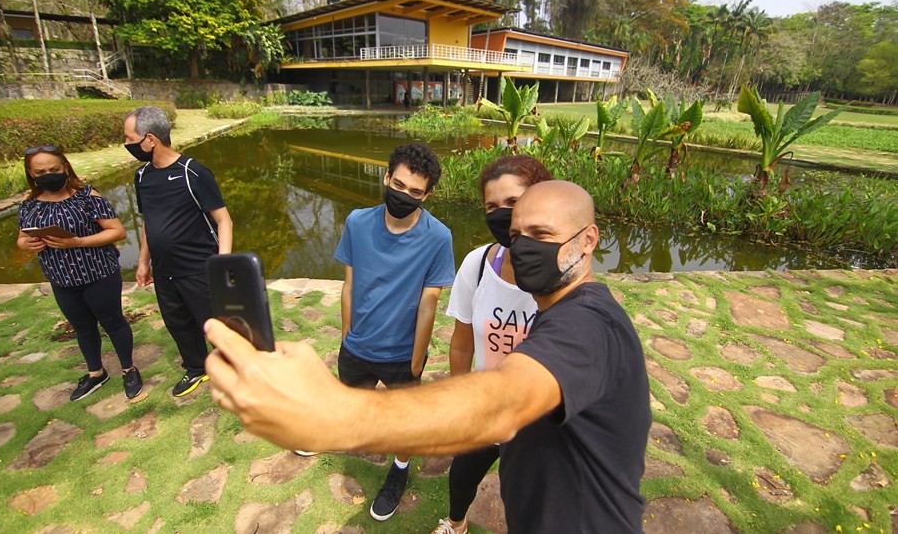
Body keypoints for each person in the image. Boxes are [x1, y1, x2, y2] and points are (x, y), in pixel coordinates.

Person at [205, 180, 651, 533]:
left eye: (542, 235)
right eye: (517, 236)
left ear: (588, 239)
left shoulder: (591, 323)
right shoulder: (556, 311)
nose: (524, 247)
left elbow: (502, 403)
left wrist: (331, 413)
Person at [298, 142, 455, 522]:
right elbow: (349, 286)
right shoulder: (356, 222)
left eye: (415, 192)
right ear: (386, 177)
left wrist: (417, 361)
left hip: (403, 354)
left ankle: (399, 470)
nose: (404, 195)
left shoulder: (439, 237)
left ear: (427, 195)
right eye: (398, 185)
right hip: (358, 345)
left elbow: (427, 303)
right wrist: (347, 335)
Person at [432, 155, 551, 534]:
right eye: (492, 207)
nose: (503, 215)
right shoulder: (478, 264)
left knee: (526, 499)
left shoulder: (564, 276)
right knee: (461, 479)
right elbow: (462, 343)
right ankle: (456, 524)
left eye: (513, 203)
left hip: (539, 420)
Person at [16, 145, 142, 401]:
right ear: (31, 173)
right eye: (40, 171)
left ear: (65, 168)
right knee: (83, 328)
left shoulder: (87, 196)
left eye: (54, 169)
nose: (48, 175)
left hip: (98, 273)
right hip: (61, 279)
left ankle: (129, 369)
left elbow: (117, 231)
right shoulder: (29, 205)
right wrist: (26, 244)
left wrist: (77, 242)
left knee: (113, 322)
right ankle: (96, 373)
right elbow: (22, 237)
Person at [123, 106, 233, 397]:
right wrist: (144, 262)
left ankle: (236, 369)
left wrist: (223, 264)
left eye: (128, 138)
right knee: (178, 323)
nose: (126, 145)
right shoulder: (142, 176)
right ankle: (198, 368)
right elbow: (148, 221)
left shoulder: (192, 173)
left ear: (149, 140)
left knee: (215, 324)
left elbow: (224, 221)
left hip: (199, 267)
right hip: (164, 269)